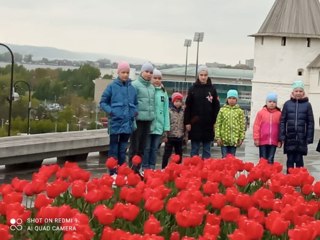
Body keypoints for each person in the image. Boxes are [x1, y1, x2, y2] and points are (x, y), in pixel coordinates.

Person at [99, 61, 137, 175]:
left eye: (127, 72)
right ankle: (113, 172)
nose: (125, 75)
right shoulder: (112, 86)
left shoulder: (132, 88)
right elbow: (103, 102)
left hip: (127, 124)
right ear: (118, 72)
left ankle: (121, 172)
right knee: (113, 150)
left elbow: (136, 103)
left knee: (123, 149)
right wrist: (112, 112)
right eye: (123, 72)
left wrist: (135, 112)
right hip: (115, 122)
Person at [184, 65, 220, 159]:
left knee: (207, 150)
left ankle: (206, 170)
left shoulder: (212, 89)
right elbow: (188, 107)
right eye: (201, 75)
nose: (203, 77)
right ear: (198, 75)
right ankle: (193, 169)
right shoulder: (192, 89)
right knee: (195, 149)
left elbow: (216, 107)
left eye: (205, 75)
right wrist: (187, 122)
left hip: (208, 124)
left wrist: (215, 122)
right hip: (195, 124)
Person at [280, 80, 314, 173]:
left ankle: (299, 180)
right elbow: (282, 121)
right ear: (293, 92)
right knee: (290, 160)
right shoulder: (287, 104)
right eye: (296, 91)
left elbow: (310, 122)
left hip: (301, 138)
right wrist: (282, 136)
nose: (298, 93)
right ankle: (289, 181)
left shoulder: (307, 105)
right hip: (289, 138)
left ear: (303, 92)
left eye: (300, 91)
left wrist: (309, 138)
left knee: (299, 160)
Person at [128, 62, 155, 174]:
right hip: (137, 121)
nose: (148, 74)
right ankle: (131, 170)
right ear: (142, 72)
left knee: (142, 148)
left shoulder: (152, 87)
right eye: (146, 71)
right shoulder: (134, 85)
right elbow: (131, 103)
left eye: (151, 72)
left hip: (147, 120)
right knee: (134, 147)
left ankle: (138, 170)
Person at [142, 69, 170, 172]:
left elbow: (166, 110)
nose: (157, 80)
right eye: (155, 78)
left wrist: (166, 127)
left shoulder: (164, 93)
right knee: (147, 148)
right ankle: (145, 167)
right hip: (149, 125)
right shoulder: (148, 90)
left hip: (159, 126)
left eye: (159, 78)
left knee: (155, 149)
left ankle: (152, 167)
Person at [215, 89, 245, 158]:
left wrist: (241, 138)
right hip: (224, 140)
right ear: (227, 99)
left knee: (232, 159)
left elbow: (242, 126)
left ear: (236, 100)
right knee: (224, 158)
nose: (232, 100)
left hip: (234, 141)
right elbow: (218, 124)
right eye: (230, 98)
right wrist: (218, 137)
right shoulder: (222, 110)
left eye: (234, 98)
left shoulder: (240, 111)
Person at [253, 92, 282, 164]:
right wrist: (256, 138)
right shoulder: (261, 113)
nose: (272, 103)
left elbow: (281, 128)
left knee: (270, 159)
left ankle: (270, 174)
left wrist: (280, 140)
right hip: (263, 141)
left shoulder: (279, 114)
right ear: (266, 102)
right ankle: (262, 174)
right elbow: (256, 126)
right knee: (263, 159)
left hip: (273, 141)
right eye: (270, 101)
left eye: (274, 102)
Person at [162, 92, 185, 168]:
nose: (178, 103)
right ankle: (164, 168)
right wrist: (165, 135)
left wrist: (185, 136)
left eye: (179, 101)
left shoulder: (183, 112)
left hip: (179, 136)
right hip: (170, 136)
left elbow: (184, 125)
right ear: (173, 102)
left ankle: (178, 169)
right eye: (176, 101)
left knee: (179, 154)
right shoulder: (169, 111)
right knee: (167, 154)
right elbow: (166, 123)